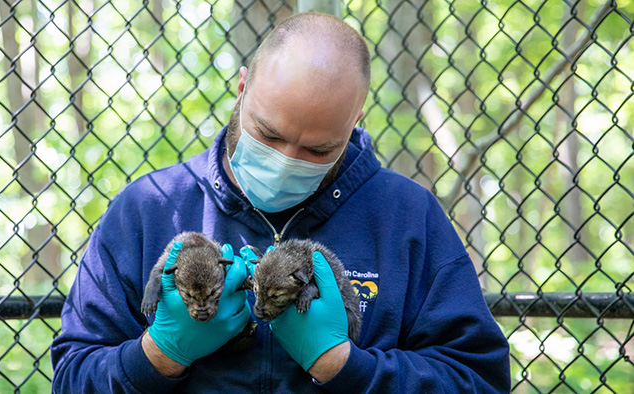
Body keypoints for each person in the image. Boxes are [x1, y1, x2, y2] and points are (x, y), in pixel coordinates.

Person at [51, 12, 511, 393]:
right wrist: (159, 355)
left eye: (318, 150)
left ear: (356, 120)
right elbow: (72, 377)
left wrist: (346, 367)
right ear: (242, 86)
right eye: (268, 134)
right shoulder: (149, 208)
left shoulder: (407, 217)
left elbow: (478, 380)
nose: (285, 161)